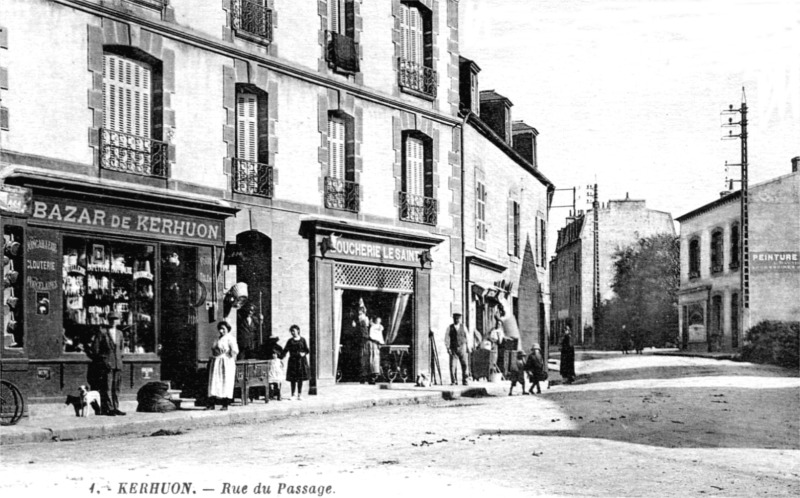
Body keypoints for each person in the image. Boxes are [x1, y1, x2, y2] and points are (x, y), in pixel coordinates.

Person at [87, 315, 126, 416]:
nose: (113, 321)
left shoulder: (120, 333)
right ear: (108, 320)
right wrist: (104, 360)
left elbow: (121, 348)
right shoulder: (102, 332)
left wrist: (120, 358)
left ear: (118, 321)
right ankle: (108, 408)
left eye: (115, 319)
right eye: (111, 319)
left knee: (116, 387)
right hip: (107, 364)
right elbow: (95, 349)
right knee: (107, 387)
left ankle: (116, 407)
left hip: (118, 364)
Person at [206, 321, 239, 410]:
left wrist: (229, 354)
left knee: (225, 382)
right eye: (220, 329)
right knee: (215, 382)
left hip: (226, 362)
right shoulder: (217, 339)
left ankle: (225, 404)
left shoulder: (230, 338)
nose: (221, 331)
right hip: (216, 361)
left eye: (223, 329)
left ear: (227, 329)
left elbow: (235, 350)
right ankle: (211, 404)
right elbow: (213, 348)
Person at [281, 325, 310, 400]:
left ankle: (300, 394)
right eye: (291, 331)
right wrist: (280, 358)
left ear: (298, 331)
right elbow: (285, 350)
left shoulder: (303, 340)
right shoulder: (290, 341)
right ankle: (293, 394)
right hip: (292, 361)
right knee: (293, 378)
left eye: (294, 331)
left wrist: (303, 353)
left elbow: (307, 350)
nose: (292, 333)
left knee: (300, 378)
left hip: (301, 361)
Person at [444, 313, 471, 386]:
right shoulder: (450, 328)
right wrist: (448, 347)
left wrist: (468, 346)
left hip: (462, 347)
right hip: (453, 348)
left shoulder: (463, 327)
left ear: (460, 319)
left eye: (458, 318)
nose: (456, 320)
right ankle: (454, 381)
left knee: (465, 364)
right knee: (453, 365)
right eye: (455, 318)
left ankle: (465, 380)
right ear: (453, 319)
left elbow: (467, 337)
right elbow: (447, 338)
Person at [358, 305, 381, 384]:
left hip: (372, 343)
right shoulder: (362, 321)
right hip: (366, 342)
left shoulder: (373, 324)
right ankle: (364, 376)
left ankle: (372, 377)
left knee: (372, 360)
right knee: (365, 359)